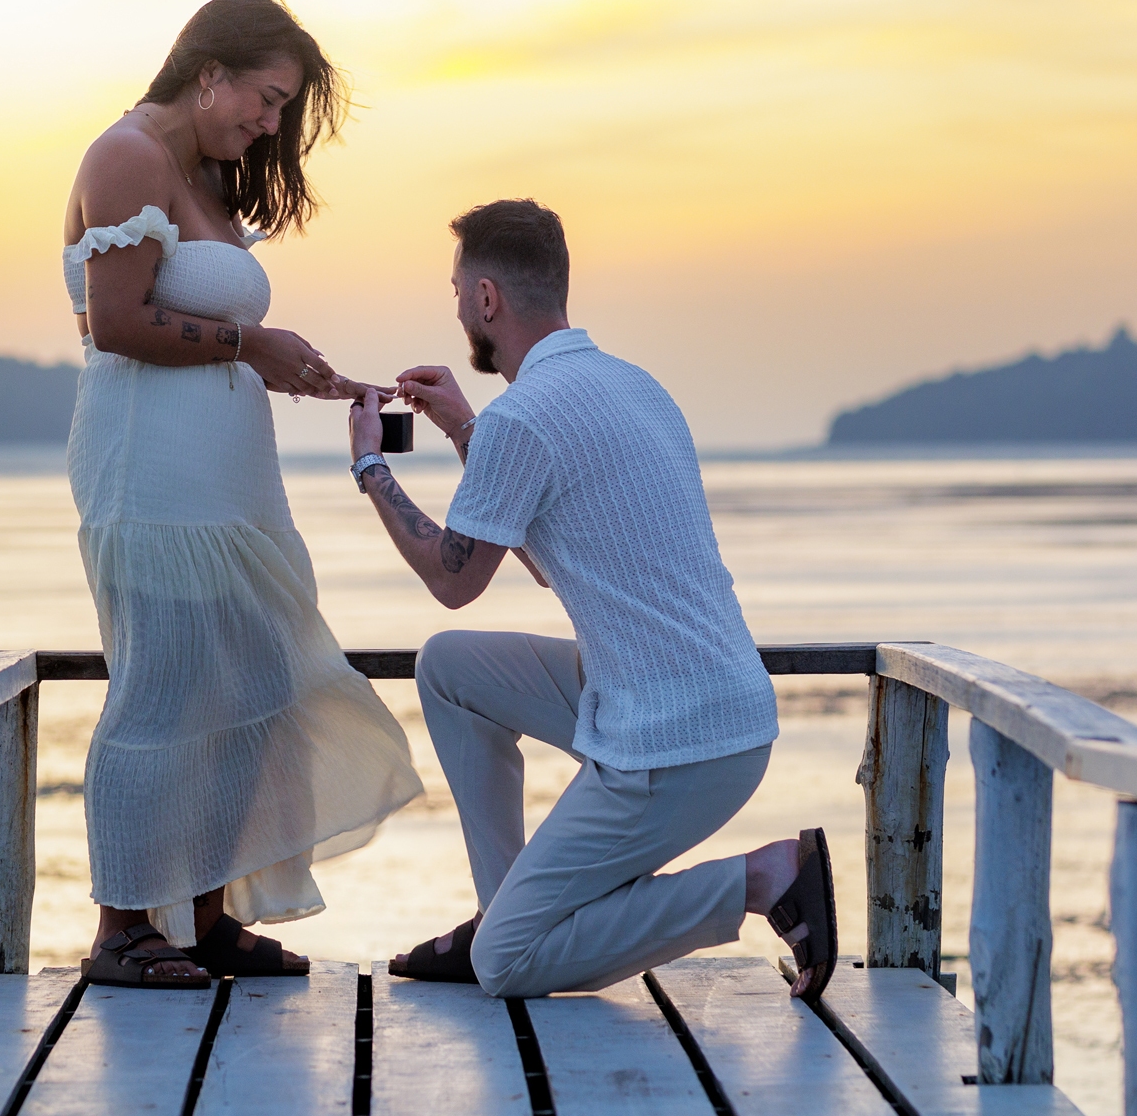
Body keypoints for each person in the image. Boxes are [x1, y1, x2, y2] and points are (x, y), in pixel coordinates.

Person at [345, 198, 839, 1000]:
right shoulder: (631, 386)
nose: (459, 304)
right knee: (449, 670)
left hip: (676, 741)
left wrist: (371, 469)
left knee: (507, 966)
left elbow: (453, 580)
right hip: (703, 698)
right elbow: (548, 557)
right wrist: (466, 430)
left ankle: (761, 879)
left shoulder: (527, 418)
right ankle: (502, 908)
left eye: (457, 288)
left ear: (485, 300)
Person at [63, 0, 423, 990]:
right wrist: (248, 342)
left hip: (229, 477)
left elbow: (218, 335)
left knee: (255, 677)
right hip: (152, 470)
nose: (271, 124)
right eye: (266, 99)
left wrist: (299, 370)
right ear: (209, 71)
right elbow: (119, 321)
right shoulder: (127, 156)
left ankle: (206, 911)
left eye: (283, 108)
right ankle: (123, 929)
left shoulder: (207, 174)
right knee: (165, 685)